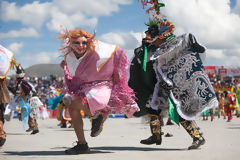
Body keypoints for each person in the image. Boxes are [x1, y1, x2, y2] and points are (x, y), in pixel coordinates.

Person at [130, 1, 218, 150]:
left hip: (178, 88)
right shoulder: (153, 49)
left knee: (181, 112)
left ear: (162, 35)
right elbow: (142, 62)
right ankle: (156, 135)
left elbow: (192, 45)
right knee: (152, 108)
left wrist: (195, 45)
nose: (149, 38)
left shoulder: (177, 44)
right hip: (162, 88)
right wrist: (143, 48)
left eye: (152, 35)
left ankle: (197, 137)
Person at [57, 28, 139, 154]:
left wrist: (116, 71)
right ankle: (83, 143)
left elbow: (117, 51)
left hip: (101, 88)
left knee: (77, 104)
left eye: (84, 43)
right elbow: (74, 75)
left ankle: (96, 117)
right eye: (77, 43)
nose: (81, 46)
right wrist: (66, 67)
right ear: (71, 44)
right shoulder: (70, 58)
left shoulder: (97, 51)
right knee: (72, 108)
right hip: (85, 88)